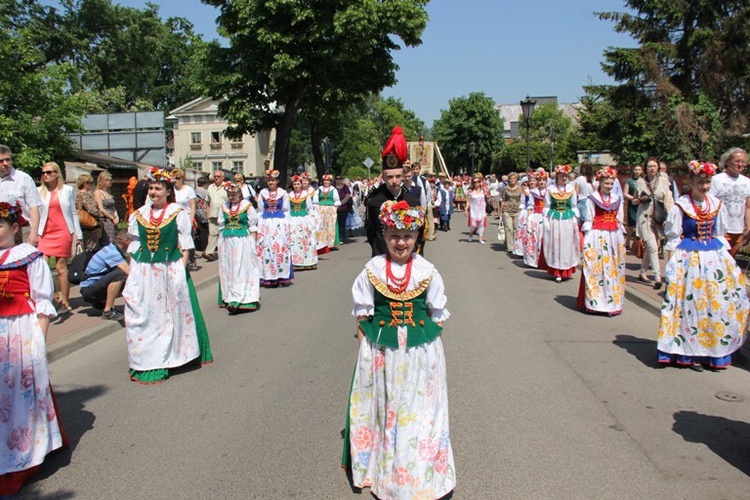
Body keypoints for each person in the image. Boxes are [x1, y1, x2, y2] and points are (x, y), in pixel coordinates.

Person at [342, 200, 455, 499]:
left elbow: (438, 314)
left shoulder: (428, 270)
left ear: (417, 236)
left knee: (419, 412)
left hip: (420, 353)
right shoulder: (373, 269)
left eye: (406, 235)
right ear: (384, 235)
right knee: (388, 409)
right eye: (393, 235)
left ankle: (422, 473)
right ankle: (388, 472)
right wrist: (366, 351)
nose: (400, 242)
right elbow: (362, 314)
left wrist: (427, 352)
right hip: (382, 352)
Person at [123, 168, 213, 384]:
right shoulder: (140, 214)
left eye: (157, 188)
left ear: (167, 190)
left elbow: (185, 246)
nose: (153, 192)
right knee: (145, 315)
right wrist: (133, 274)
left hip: (168, 269)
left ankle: (172, 355)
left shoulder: (176, 212)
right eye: (151, 188)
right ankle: (148, 359)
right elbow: (134, 247)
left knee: (169, 315)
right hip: (145, 272)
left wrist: (179, 271)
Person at [0, 200, 65, 496]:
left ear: (15, 227)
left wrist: (39, 341)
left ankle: (23, 451)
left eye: (0, 224)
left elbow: (41, 301)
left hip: (19, 331)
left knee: (18, 394)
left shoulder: (29, 257)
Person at [657, 161, 749, 371]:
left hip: (714, 258)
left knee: (715, 304)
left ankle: (713, 350)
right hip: (690, 260)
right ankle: (692, 353)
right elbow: (673, 238)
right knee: (693, 305)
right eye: (700, 182)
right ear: (690, 182)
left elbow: (719, 233)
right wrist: (672, 269)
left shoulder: (716, 204)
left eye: (707, 182)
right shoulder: (682, 205)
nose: (705, 187)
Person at [364, 127, 420, 257]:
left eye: (398, 176)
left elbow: (418, 232)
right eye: (389, 177)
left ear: (402, 175)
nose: (394, 181)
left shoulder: (413, 201)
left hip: (406, 257)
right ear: (383, 177)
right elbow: (370, 232)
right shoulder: (374, 201)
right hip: (381, 256)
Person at [578, 166, 626, 315]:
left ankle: (611, 303)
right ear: (600, 182)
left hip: (613, 236)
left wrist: (621, 238)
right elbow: (589, 218)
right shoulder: (593, 199)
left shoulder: (617, 199)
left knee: (612, 269)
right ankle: (595, 302)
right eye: (607, 183)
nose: (609, 187)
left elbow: (619, 219)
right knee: (597, 268)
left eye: (611, 184)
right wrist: (587, 239)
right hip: (598, 235)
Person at [37, 162, 82, 313]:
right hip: (44, 233)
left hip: (63, 231)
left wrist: (78, 234)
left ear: (57, 174)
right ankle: (53, 294)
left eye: (49, 172)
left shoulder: (67, 190)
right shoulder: (39, 191)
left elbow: (73, 212)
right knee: (41, 266)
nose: (45, 175)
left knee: (61, 267)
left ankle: (65, 301)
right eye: (43, 173)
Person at [218, 182, 260, 313]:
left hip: (242, 241)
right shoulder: (224, 207)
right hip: (227, 241)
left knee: (241, 268)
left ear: (239, 194)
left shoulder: (247, 207)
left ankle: (243, 297)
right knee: (229, 268)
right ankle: (230, 296)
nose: (231, 197)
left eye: (234, 194)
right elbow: (221, 225)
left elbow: (253, 225)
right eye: (229, 194)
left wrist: (253, 243)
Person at [635, 157, 673, 288]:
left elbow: (667, 200)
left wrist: (668, 217)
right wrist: (640, 199)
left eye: (654, 166)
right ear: (645, 168)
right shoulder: (640, 182)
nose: (652, 168)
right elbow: (634, 200)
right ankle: (657, 277)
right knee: (652, 246)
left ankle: (642, 272)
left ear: (658, 168)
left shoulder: (663, 181)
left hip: (658, 217)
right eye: (649, 166)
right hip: (644, 217)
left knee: (652, 246)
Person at [79, 229, 130, 320]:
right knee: (121, 275)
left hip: (94, 287)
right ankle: (108, 311)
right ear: (126, 241)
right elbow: (129, 272)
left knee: (124, 279)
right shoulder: (112, 253)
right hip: (89, 291)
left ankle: (103, 302)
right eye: (132, 240)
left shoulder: (111, 248)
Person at [709, 147, 750, 257]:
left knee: (731, 263)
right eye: (737, 161)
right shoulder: (717, 180)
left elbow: (748, 206)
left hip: (738, 230)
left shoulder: (747, 182)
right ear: (727, 161)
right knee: (719, 261)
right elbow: (709, 203)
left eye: (743, 162)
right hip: (720, 229)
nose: (740, 164)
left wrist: (749, 227)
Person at [543, 165, 580, 282]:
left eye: (566, 175)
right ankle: (557, 271)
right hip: (555, 219)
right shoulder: (550, 189)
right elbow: (547, 205)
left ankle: (566, 270)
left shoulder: (571, 189)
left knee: (567, 244)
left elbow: (574, 205)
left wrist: (575, 219)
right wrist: (546, 220)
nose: (564, 178)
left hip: (567, 220)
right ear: (557, 176)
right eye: (562, 175)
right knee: (556, 244)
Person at [256, 169, 293, 287]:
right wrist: (259, 224)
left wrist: (288, 225)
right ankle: (269, 276)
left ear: (277, 181)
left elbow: (286, 210)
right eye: (269, 180)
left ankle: (281, 275)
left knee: (280, 248)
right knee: (267, 248)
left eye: (273, 180)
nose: (271, 182)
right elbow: (260, 210)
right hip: (266, 223)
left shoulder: (283, 193)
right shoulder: (263, 193)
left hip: (279, 223)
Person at [0, 145, 42, 246]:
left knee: (22, 261)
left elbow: (34, 207)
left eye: (8, 160)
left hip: (22, 231)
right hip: (1, 231)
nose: (5, 164)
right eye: (1, 161)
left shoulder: (24, 178)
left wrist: (34, 233)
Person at [288, 175, 318, 271]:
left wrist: (312, 220)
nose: (296, 186)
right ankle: (295, 262)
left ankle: (308, 261)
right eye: (295, 184)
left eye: (298, 184)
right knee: (293, 240)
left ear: (301, 184)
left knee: (305, 240)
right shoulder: (290, 195)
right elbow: (288, 209)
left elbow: (310, 208)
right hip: (292, 219)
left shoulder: (306, 195)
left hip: (303, 219)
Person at [171, 169, 198, 271]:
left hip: (186, 217)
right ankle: (179, 260)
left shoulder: (188, 189)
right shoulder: (172, 189)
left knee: (187, 239)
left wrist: (191, 219)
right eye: (174, 178)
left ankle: (191, 261)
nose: (176, 180)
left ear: (182, 179)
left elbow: (192, 205)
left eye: (178, 178)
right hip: (174, 218)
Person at [524, 171, 547, 268]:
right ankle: (534, 260)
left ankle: (545, 261)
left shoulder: (550, 191)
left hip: (546, 216)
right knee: (535, 237)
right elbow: (531, 205)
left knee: (545, 238)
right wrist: (528, 218)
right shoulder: (534, 192)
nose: (541, 182)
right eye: (540, 180)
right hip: (537, 216)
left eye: (543, 180)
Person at [204, 170, 228, 261]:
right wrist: (207, 213)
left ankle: (223, 251)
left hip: (225, 214)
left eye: (218, 176)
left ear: (223, 177)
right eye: (215, 176)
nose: (216, 178)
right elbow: (207, 202)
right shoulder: (210, 187)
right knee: (212, 234)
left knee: (224, 233)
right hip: (213, 214)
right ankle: (209, 252)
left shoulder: (226, 186)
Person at [313, 174, 341, 249]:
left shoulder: (333, 189)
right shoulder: (319, 189)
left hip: (330, 209)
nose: (326, 182)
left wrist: (335, 209)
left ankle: (330, 243)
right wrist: (316, 209)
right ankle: (322, 243)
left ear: (330, 182)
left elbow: (337, 200)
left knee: (330, 226)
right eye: (325, 180)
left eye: (328, 180)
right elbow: (315, 200)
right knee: (322, 225)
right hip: (321, 209)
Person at [76, 174, 102, 251]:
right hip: (89, 225)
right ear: (85, 183)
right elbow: (92, 209)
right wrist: (101, 214)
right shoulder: (85, 195)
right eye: (90, 182)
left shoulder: (78, 194)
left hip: (83, 225)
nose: (92, 184)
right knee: (91, 248)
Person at [94, 170, 118, 247]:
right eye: (110, 180)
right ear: (104, 180)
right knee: (108, 242)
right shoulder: (98, 192)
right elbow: (101, 208)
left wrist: (116, 215)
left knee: (113, 240)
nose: (111, 182)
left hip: (112, 219)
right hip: (106, 220)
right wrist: (111, 218)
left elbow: (113, 206)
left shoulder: (107, 192)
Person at [500, 172, 523, 252]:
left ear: (516, 179)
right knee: (509, 228)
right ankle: (510, 247)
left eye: (514, 178)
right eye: (510, 178)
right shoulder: (506, 188)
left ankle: (516, 245)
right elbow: (503, 199)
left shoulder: (520, 188)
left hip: (517, 210)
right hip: (507, 210)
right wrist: (501, 211)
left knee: (516, 228)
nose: (512, 180)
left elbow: (522, 199)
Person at [623, 165, 643, 249]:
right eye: (636, 170)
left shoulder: (643, 181)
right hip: (632, 205)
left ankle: (639, 245)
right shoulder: (629, 181)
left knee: (640, 225)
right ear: (633, 171)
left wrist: (640, 200)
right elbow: (625, 193)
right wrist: (634, 199)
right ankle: (627, 242)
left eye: (639, 170)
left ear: (642, 171)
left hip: (641, 205)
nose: (637, 171)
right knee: (631, 225)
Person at [465, 173, 488, 244]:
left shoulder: (484, 190)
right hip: (473, 210)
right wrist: (466, 209)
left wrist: (487, 211)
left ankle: (480, 238)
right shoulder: (470, 191)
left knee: (481, 224)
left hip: (482, 210)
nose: (476, 183)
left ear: (480, 182)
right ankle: (471, 234)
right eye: (474, 182)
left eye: (478, 181)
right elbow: (468, 201)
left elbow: (487, 200)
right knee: (474, 224)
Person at [194, 176, 210, 261]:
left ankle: (202, 249)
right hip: (206, 213)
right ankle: (207, 249)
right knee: (208, 232)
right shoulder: (207, 192)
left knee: (201, 232)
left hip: (197, 214)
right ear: (205, 184)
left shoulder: (193, 192)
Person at [335, 175, 352, 243]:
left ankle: (341, 237)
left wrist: (340, 203)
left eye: (339, 178)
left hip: (343, 207)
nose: (338, 180)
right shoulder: (333, 187)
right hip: (334, 208)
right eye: (337, 178)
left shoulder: (345, 187)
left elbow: (347, 196)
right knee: (335, 223)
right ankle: (336, 238)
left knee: (342, 223)